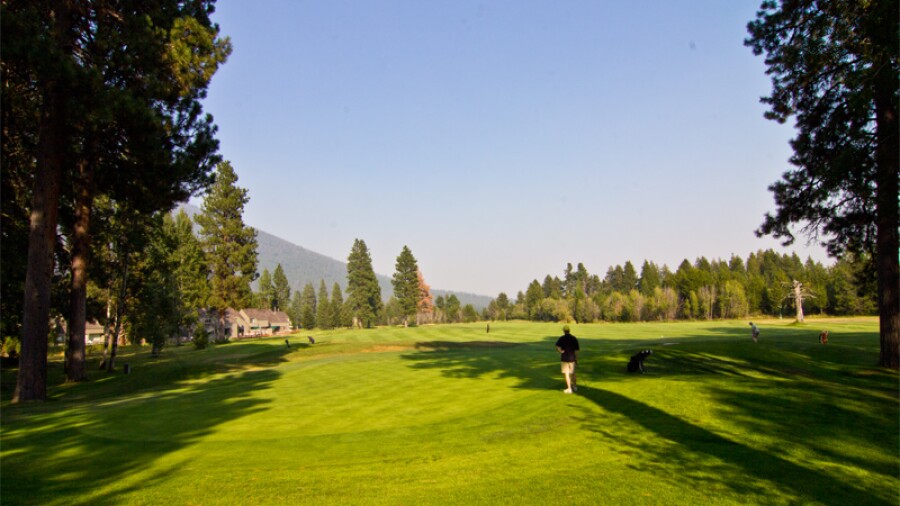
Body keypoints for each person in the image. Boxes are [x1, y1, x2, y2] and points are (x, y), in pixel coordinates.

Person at [555, 325, 580, 393]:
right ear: (569, 330)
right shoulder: (574, 338)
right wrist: (576, 359)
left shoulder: (562, 338)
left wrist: (560, 351)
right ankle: (575, 387)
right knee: (573, 373)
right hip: (572, 358)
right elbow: (577, 350)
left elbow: (557, 346)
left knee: (566, 374)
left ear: (564, 331)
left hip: (565, 358)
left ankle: (569, 388)